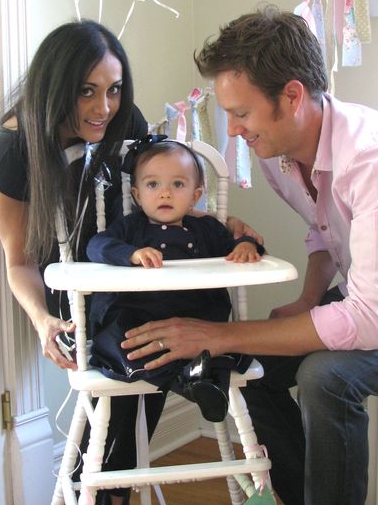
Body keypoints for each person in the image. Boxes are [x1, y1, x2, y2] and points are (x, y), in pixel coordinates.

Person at [119, 6, 378, 505]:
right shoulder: (285, 153)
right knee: (252, 370)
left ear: (292, 95)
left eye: (240, 111)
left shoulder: (375, 156)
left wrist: (215, 329)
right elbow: (324, 237)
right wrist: (309, 298)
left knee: (323, 378)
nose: (232, 129)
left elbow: (371, 320)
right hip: (377, 290)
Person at [0, 18, 262, 505]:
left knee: (161, 333)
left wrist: (215, 223)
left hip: (137, 272)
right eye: (86, 92)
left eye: (113, 90)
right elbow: (18, 261)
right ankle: (106, 494)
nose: (103, 108)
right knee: (135, 348)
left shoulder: (122, 120)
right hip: (69, 289)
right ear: (56, 88)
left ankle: (111, 491)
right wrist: (42, 322)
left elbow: (158, 188)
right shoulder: (14, 149)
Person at [86, 136, 265, 423]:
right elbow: (96, 246)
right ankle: (194, 384)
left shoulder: (206, 229)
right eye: (153, 185)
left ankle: (202, 383)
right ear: (137, 194)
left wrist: (246, 245)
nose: (165, 193)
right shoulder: (132, 229)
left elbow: (232, 247)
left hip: (198, 321)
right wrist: (131, 254)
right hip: (141, 320)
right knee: (127, 345)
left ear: (195, 196)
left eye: (178, 185)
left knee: (220, 353)